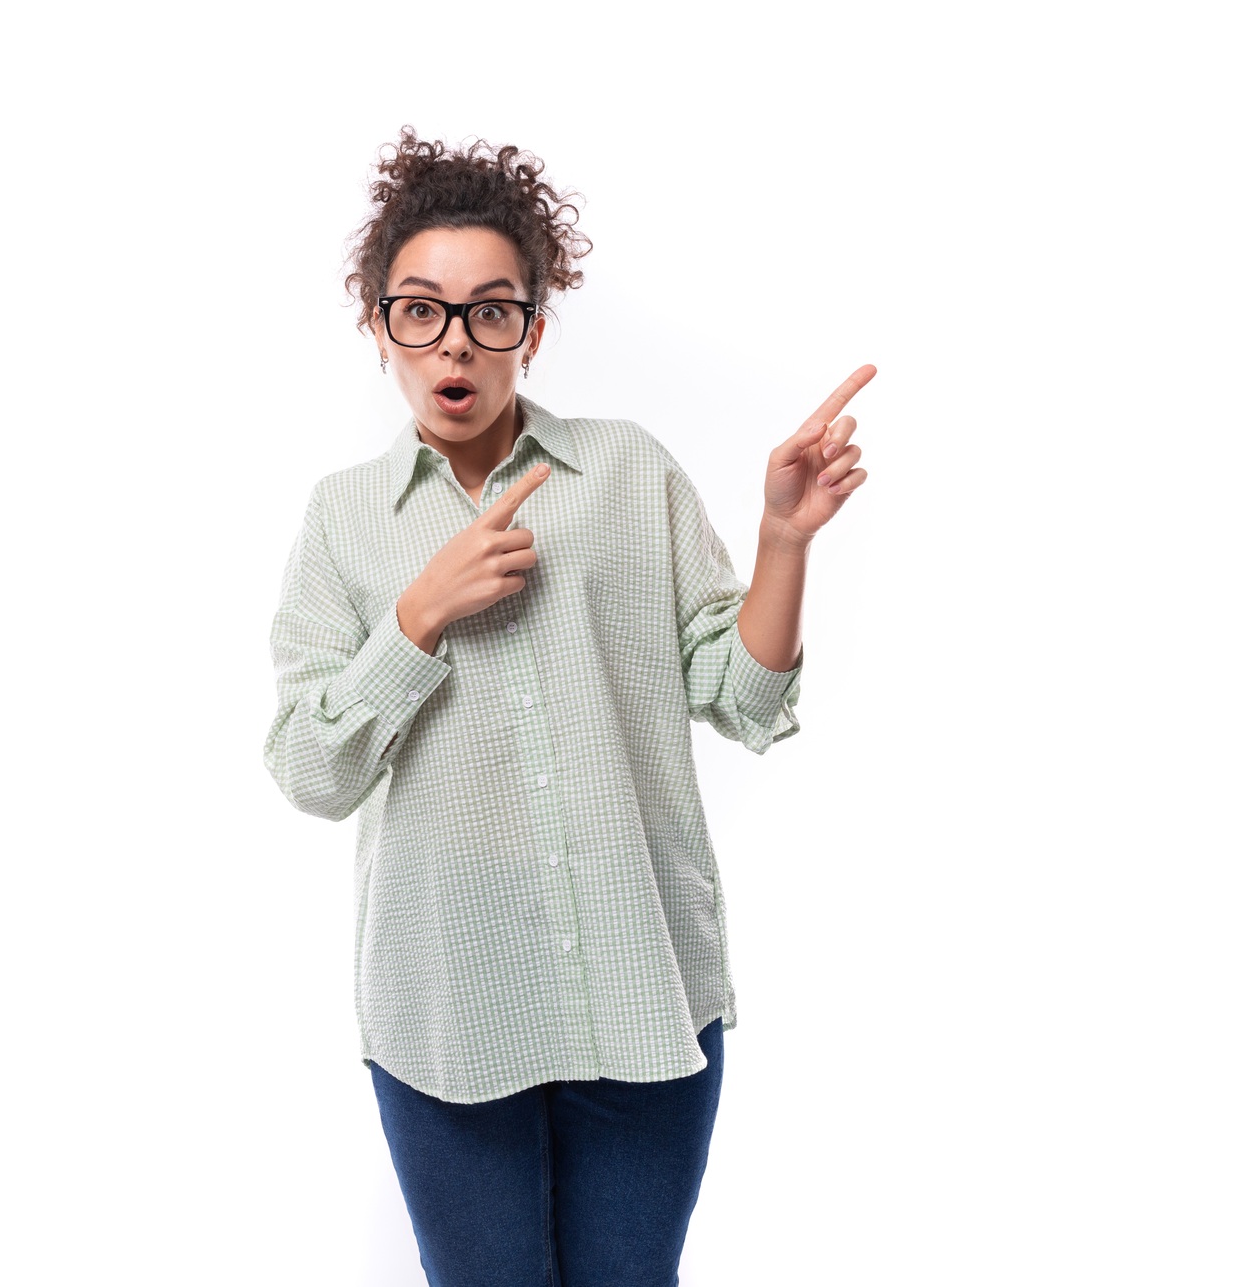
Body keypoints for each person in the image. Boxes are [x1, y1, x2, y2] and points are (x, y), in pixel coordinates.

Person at [263, 125, 872, 1286]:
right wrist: (414, 619)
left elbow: (738, 701)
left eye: (491, 310)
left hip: (642, 994)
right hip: (445, 1008)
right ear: (376, 325)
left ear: (530, 331)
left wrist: (782, 541)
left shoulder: (625, 472)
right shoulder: (343, 520)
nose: (455, 340)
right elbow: (307, 767)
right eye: (419, 308)